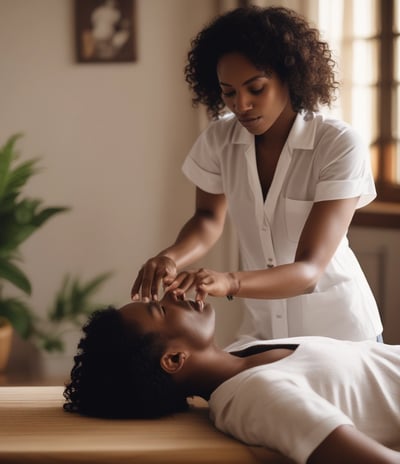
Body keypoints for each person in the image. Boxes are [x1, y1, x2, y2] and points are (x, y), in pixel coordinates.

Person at [130, 6, 383, 346]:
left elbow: (309, 270)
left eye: (256, 88)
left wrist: (230, 282)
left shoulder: (337, 144)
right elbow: (207, 218)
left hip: (340, 333)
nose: (241, 104)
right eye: (229, 92)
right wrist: (170, 257)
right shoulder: (219, 139)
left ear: (289, 78)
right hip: (262, 333)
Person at [64, 293, 400, 464]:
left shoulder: (245, 351)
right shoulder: (258, 396)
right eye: (163, 310)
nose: (174, 294)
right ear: (174, 359)